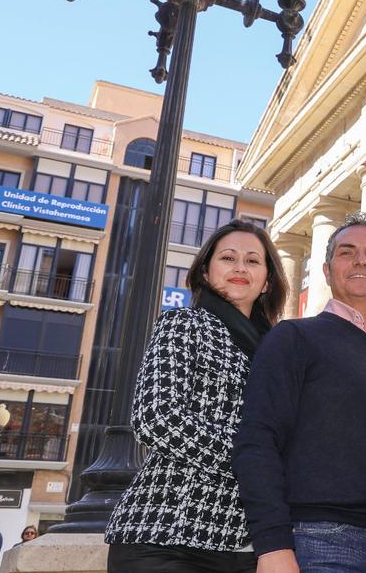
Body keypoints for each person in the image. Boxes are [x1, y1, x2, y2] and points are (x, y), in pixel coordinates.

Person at [234, 211, 366, 573]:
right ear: (327, 270)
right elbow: (257, 441)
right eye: (347, 252)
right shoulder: (292, 338)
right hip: (318, 543)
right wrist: (272, 545)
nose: (362, 260)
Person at [106, 219, 287, 572]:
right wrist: (253, 460)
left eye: (252, 261)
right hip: (166, 535)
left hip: (246, 544)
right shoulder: (185, 324)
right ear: (205, 272)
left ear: (267, 280)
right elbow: (156, 418)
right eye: (227, 258)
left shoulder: (279, 350)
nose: (239, 267)